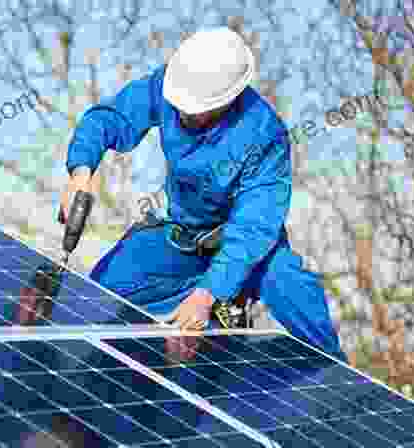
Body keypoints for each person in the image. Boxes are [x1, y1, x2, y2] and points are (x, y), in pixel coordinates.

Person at [60, 27, 348, 363]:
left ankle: (339, 387)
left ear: (228, 101)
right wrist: (81, 172)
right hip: (180, 238)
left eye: (194, 111)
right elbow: (111, 118)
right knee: (99, 295)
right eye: (178, 107)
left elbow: (252, 227)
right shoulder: (170, 86)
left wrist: (209, 293)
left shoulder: (264, 134)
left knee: (293, 290)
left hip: (243, 249)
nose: (183, 114)